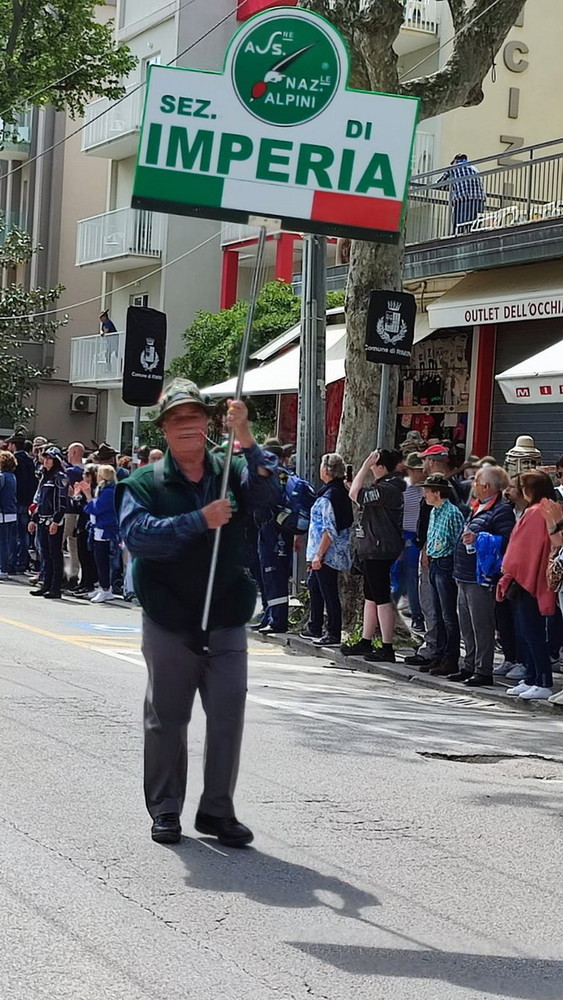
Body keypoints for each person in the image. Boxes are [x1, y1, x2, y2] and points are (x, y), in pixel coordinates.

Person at [115, 378, 279, 847]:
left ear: (208, 423)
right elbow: (138, 536)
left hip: (226, 612)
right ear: (164, 430)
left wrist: (246, 438)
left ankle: (216, 811)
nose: (186, 427)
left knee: (228, 713)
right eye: (176, 420)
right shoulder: (141, 482)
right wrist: (198, 520)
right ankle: (166, 809)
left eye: (194, 418)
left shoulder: (230, 471)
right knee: (167, 718)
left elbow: (270, 500)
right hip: (169, 617)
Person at [497, 471, 557, 701]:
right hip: (529, 576)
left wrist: (509, 570)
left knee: (533, 632)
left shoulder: (536, 512)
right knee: (528, 631)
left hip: (528, 578)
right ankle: (532, 677)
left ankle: (542, 680)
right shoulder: (542, 509)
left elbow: (524, 548)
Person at [452, 465, 514, 686]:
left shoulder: (501, 510)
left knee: (482, 624)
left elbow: (506, 541)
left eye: (476, 482)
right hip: (464, 574)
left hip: (481, 577)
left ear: (486, 487)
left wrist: (481, 539)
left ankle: (483, 669)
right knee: (466, 624)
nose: (473, 486)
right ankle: (468, 665)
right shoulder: (477, 506)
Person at [341, 449, 405, 664]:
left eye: (372, 465)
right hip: (370, 548)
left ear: (380, 466)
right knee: (370, 597)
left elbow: (354, 495)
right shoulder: (382, 488)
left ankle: (387, 646)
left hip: (380, 548)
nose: (370, 469)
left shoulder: (389, 488)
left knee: (381, 597)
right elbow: (358, 495)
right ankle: (366, 639)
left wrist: (364, 465)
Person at [300, 453, 353, 647]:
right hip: (329, 552)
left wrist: (318, 555)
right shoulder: (336, 492)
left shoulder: (330, 496)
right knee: (315, 586)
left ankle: (333, 632)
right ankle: (315, 625)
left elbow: (329, 529)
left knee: (329, 592)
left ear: (327, 470)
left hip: (328, 554)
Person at [421, 472, 465, 675]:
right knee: (436, 613)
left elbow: (457, 542)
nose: (424, 494)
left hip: (446, 563)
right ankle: (438, 655)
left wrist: (455, 569)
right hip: (434, 562)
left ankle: (451, 657)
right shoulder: (434, 512)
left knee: (448, 614)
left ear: (437, 493)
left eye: (427, 490)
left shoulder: (452, 513)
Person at [28, 447, 70, 599]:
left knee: (55, 554)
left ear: (56, 460)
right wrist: (34, 519)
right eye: (44, 458)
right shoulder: (44, 476)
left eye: (49, 458)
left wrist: (56, 521)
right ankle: (46, 584)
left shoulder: (60, 477)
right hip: (42, 519)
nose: (45, 461)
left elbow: (62, 502)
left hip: (53, 521)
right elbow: (39, 500)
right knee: (44, 554)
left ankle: (55, 587)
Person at [392, 451, 425, 632]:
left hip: (416, 536)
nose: (422, 473)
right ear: (411, 470)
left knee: (412, 578)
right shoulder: (402, 489)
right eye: (419, 470)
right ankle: (389, 611)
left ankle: (417, 616)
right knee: (398, 578)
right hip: (402, 535)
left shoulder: (424, 490)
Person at [82, 464, 120, 603]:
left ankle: (105, 589)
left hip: (105, 530)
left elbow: (96, 508)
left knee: (103, 560)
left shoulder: (109, 491)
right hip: (99, 529)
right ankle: (103, 587)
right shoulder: (103, 490)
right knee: (99, 560)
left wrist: (88, 497)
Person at [6, 434, 36, 574]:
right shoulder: (30, 461)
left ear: (14, 445)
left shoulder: (15, 461)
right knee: (24, 534)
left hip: (17, 500)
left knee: (15, 534)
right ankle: (22, 561)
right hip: (28, 500)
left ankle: (15, 561)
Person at [436, 153, 486, 233]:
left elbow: (440, 184)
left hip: (463, 201)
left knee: (459, 227)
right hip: (479, 201)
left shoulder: (453, 169)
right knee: (474, 226)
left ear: (456, 161)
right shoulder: (474, 169)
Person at [71, 464, 99, 596]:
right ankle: (83, 582)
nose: (83, 477)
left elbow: (88, 508)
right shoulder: (84, 490)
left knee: (88, 557)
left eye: (85, 474)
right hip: (81, 524)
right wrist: (75, 495)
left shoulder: (93, 490)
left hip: (89, 525)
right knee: (82, 555)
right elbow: (77, 508)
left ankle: (89, 583)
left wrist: (80, 496)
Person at [0, 450, 18, 579]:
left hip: (3, 512)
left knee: (3, 542)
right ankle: (8, 566)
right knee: (9, 541)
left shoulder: (2, 477)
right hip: (11, 511)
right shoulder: (12, 476)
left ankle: (3, 568)